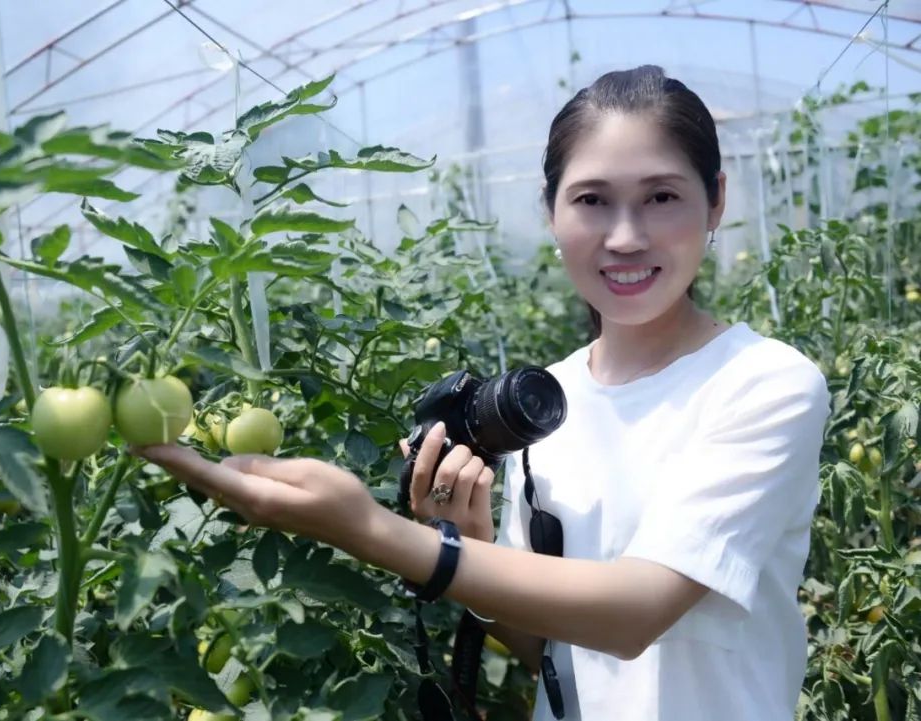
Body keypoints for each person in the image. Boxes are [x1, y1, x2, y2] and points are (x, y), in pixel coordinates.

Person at [136, 65, 831, 721]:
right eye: (592, 200)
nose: (625, 235)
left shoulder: (763, 383)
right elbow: (551, 651)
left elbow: (633, 614)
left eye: (662, 197)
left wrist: (374, 532)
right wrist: (473, 543)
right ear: (551, 212)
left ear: (716, 201)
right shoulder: (546, 403)